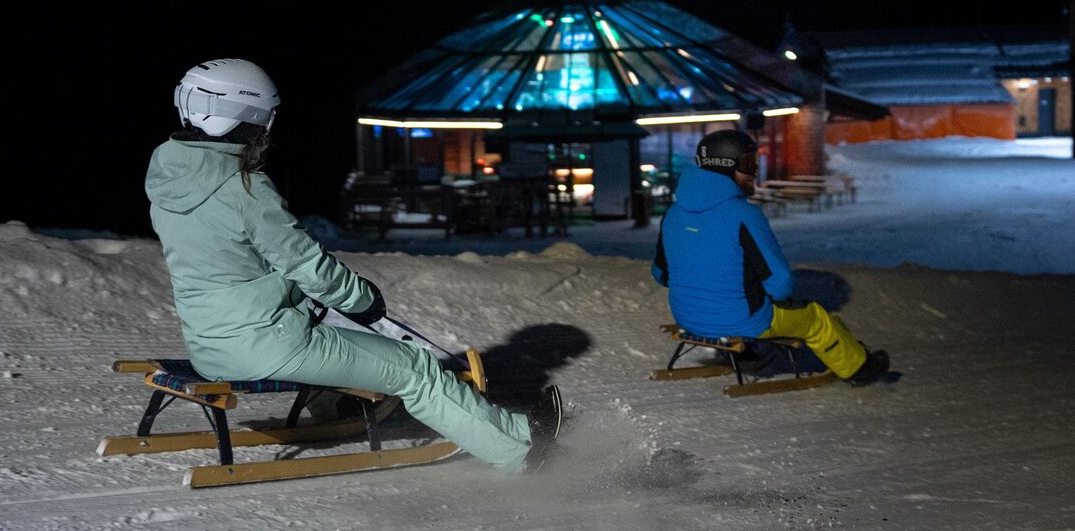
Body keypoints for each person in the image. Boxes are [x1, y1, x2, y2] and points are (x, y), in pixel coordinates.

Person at [144, 58, 562, 472]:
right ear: (248, 116)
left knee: (345, 340)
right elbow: (305, 262)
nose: (266, 131)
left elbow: (233, 264)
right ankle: (520, 458)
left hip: (209, 345)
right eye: (265, 120)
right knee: (415, 368)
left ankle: (518, 429)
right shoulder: (244, 187)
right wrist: (360, 298)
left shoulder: (168, 180)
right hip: (267, 346)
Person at [652, 128, 890, 386]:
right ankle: (858, 369)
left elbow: (661, 274)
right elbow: (780, 283)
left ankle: (751, 352)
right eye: (749, 163)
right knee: (816, 318)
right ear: (727, 166)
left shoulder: (673, 214)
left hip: (687, 317)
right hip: (743, 320)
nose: (754, 171)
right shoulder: (744, 215)